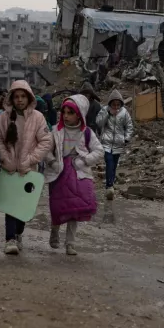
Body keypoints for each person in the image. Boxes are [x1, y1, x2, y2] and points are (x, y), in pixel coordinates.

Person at [0, 80, 53, 255]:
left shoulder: (38, 118)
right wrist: (4, 157)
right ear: (11, 98)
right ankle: (9, 239)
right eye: (16, 96)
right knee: (11, 205)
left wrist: (31, 159)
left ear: (29, 98)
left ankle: (18, 232)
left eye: (22, 96)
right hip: (9, 170)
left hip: (29, 171)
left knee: (24, 207)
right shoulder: (3, 118)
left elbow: (46, 141)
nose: (19, 100)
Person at [43, 95, 104, 256]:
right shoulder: (56, 131)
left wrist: (86, 161)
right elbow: (46, 149)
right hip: (59, 174)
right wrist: (52, 162)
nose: (66, 116)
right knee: (58, 207)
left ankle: (70, 242)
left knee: (75, 209)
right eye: (64, 112)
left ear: (79, 114)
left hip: (79, 174)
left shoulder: (87, 133)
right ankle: (54, 231)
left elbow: (99, 150)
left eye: (70, 112)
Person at [96, 89, 134, 200]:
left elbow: (129, 126)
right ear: (110, 103)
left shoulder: (124, 112)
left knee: (114, 165)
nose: (116, 107)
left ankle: (111, 184)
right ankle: (109, 187)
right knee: (109, 162)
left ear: (121, 104)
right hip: (106, 143)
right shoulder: (104, 110)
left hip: (118, 143)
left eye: (118, 104)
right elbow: (99, 122)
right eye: (114, 104)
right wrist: (108, 114)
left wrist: (126, 139)